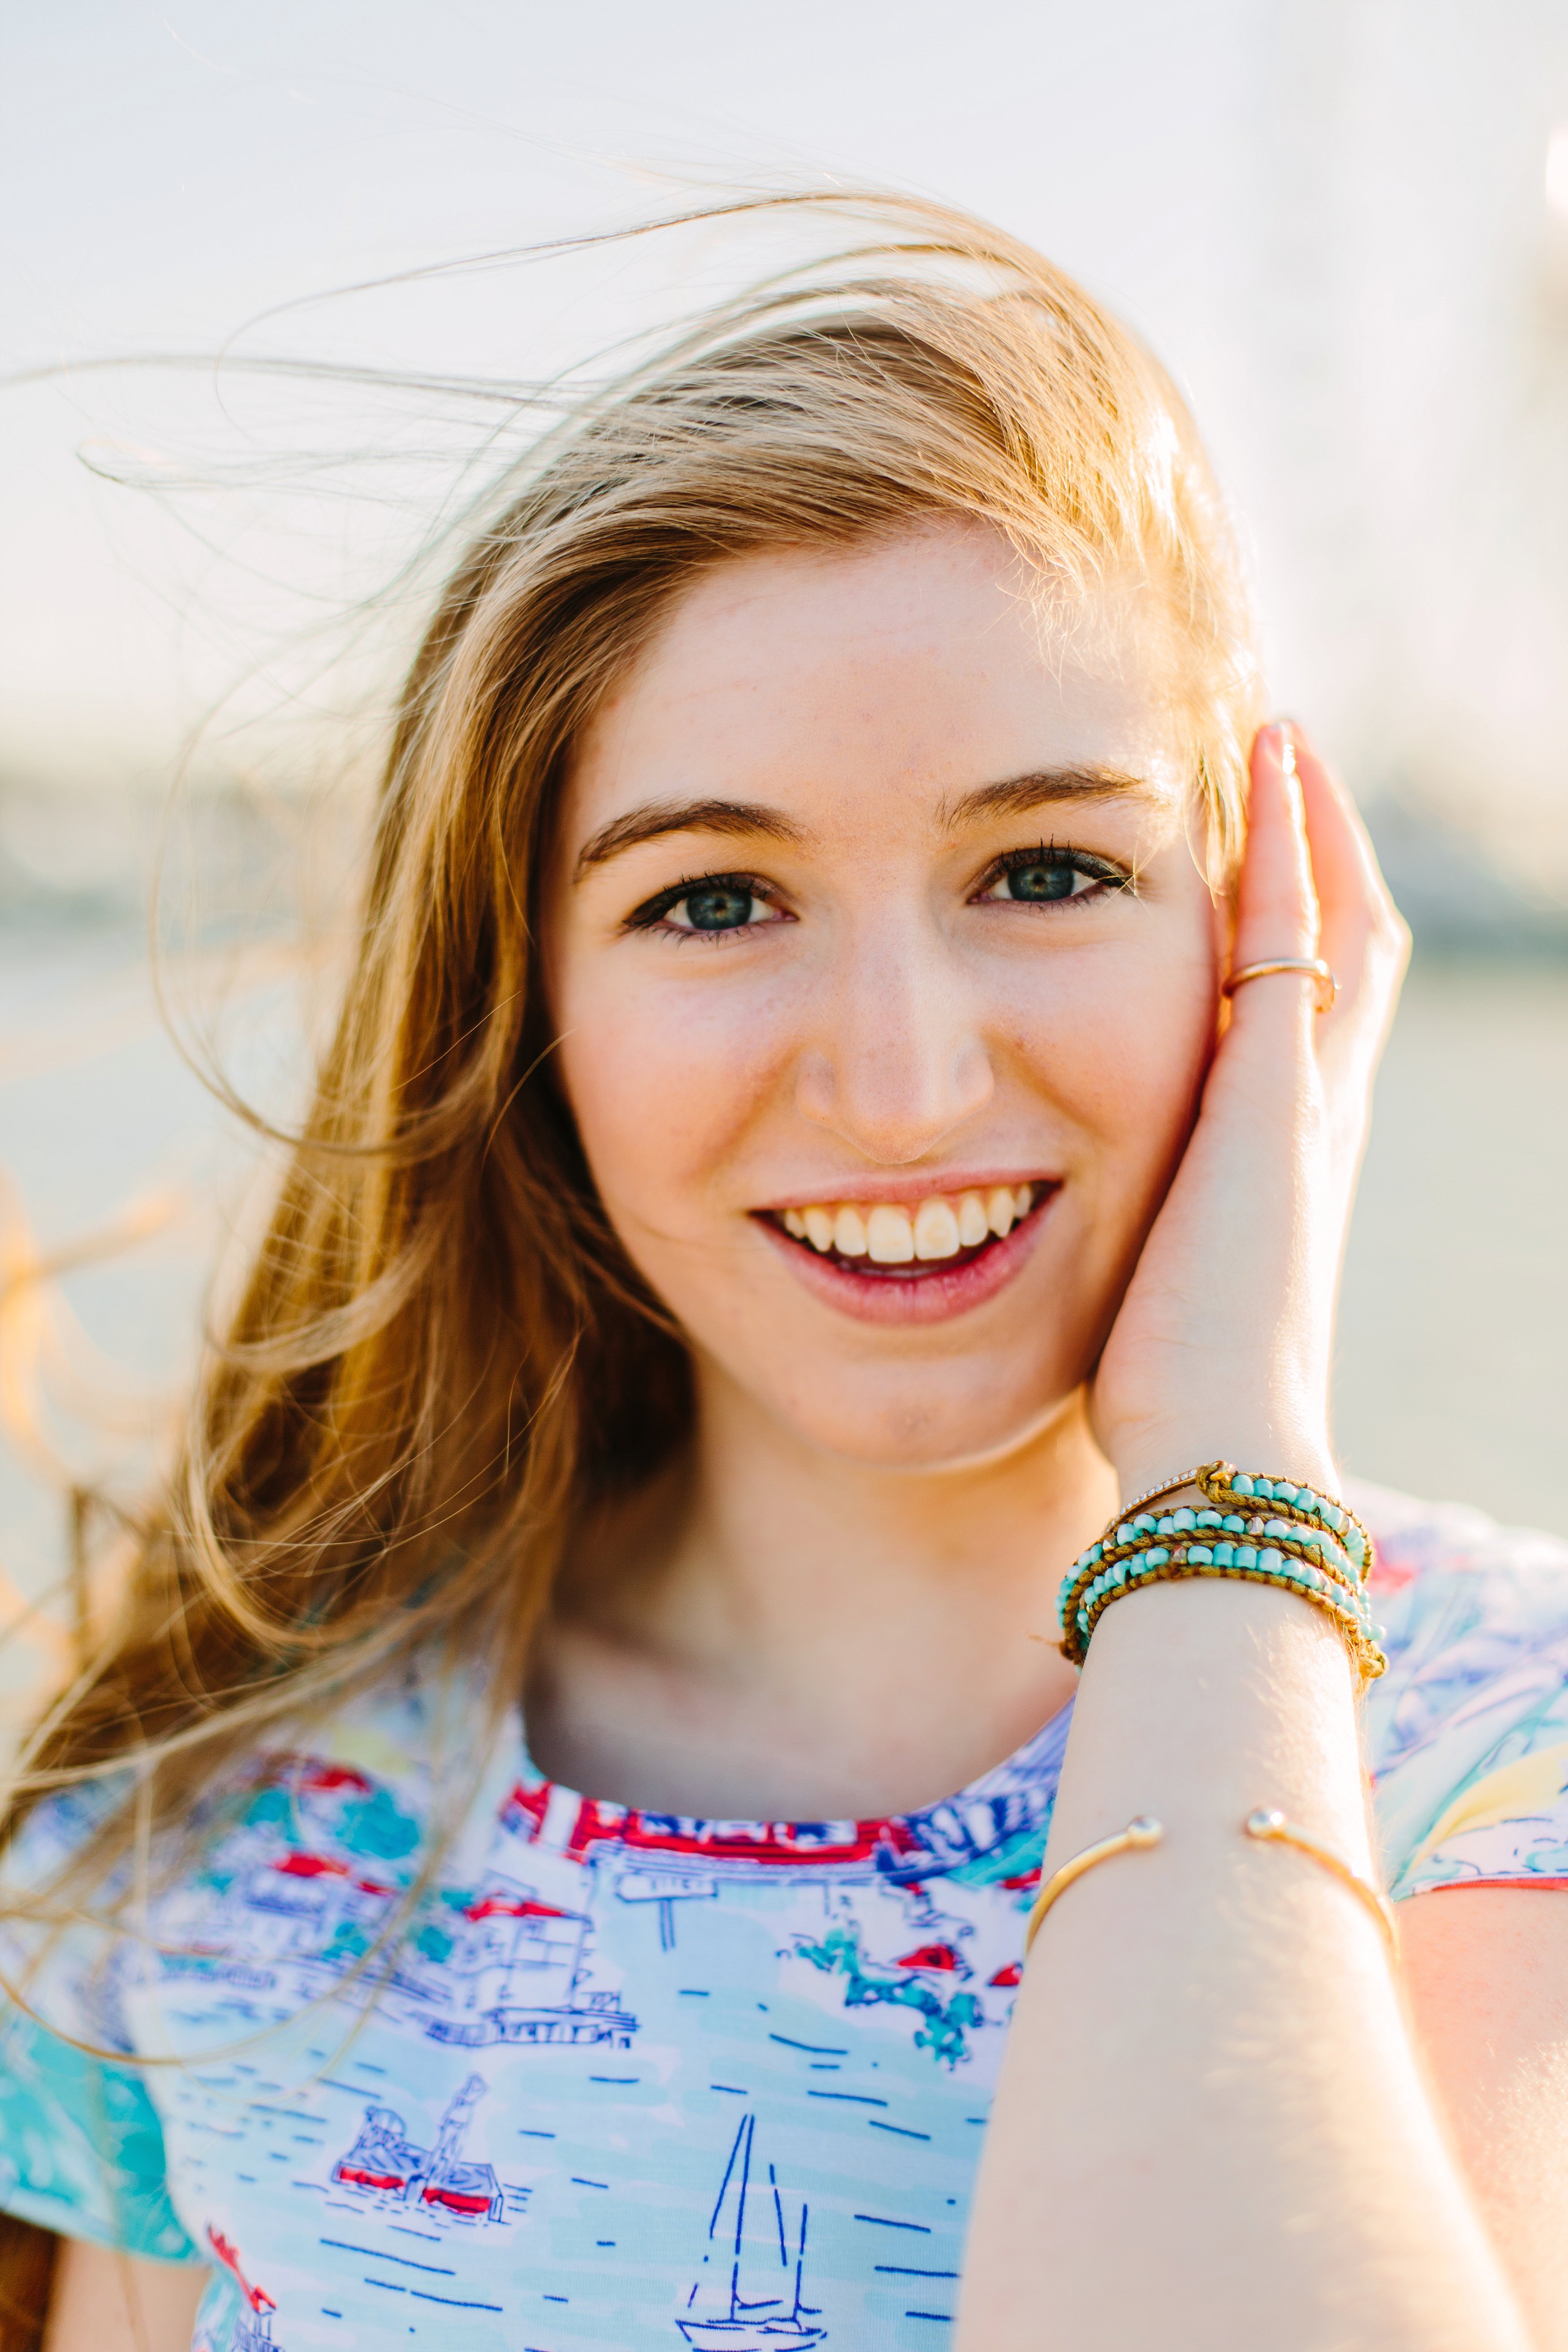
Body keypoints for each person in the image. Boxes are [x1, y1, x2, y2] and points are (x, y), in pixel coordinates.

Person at [1, 196, 1564, 2352]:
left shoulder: (1505, 1753)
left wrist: (1218, 1478)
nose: (907, 1086)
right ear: (523, 1004)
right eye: (715, 900)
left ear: (1261, 929)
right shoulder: (212, 1821)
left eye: (1045, 868)